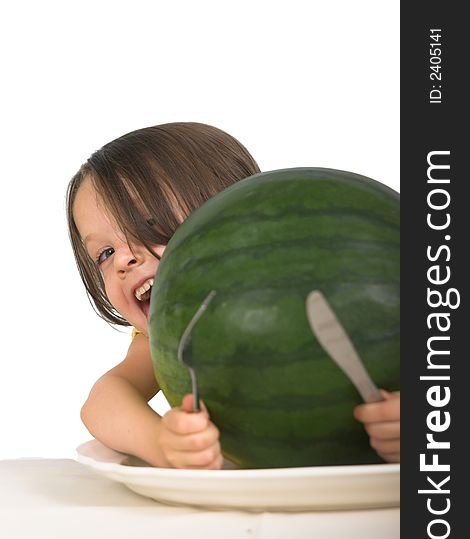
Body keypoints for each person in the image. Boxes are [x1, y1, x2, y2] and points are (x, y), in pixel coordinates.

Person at [67, 122, 401, 468]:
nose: (123, 259)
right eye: (104, 253)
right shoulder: (174, 336)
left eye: (148, 226)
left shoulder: (344, 286)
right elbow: (103, 403)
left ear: (232, 217)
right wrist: (161, 442)